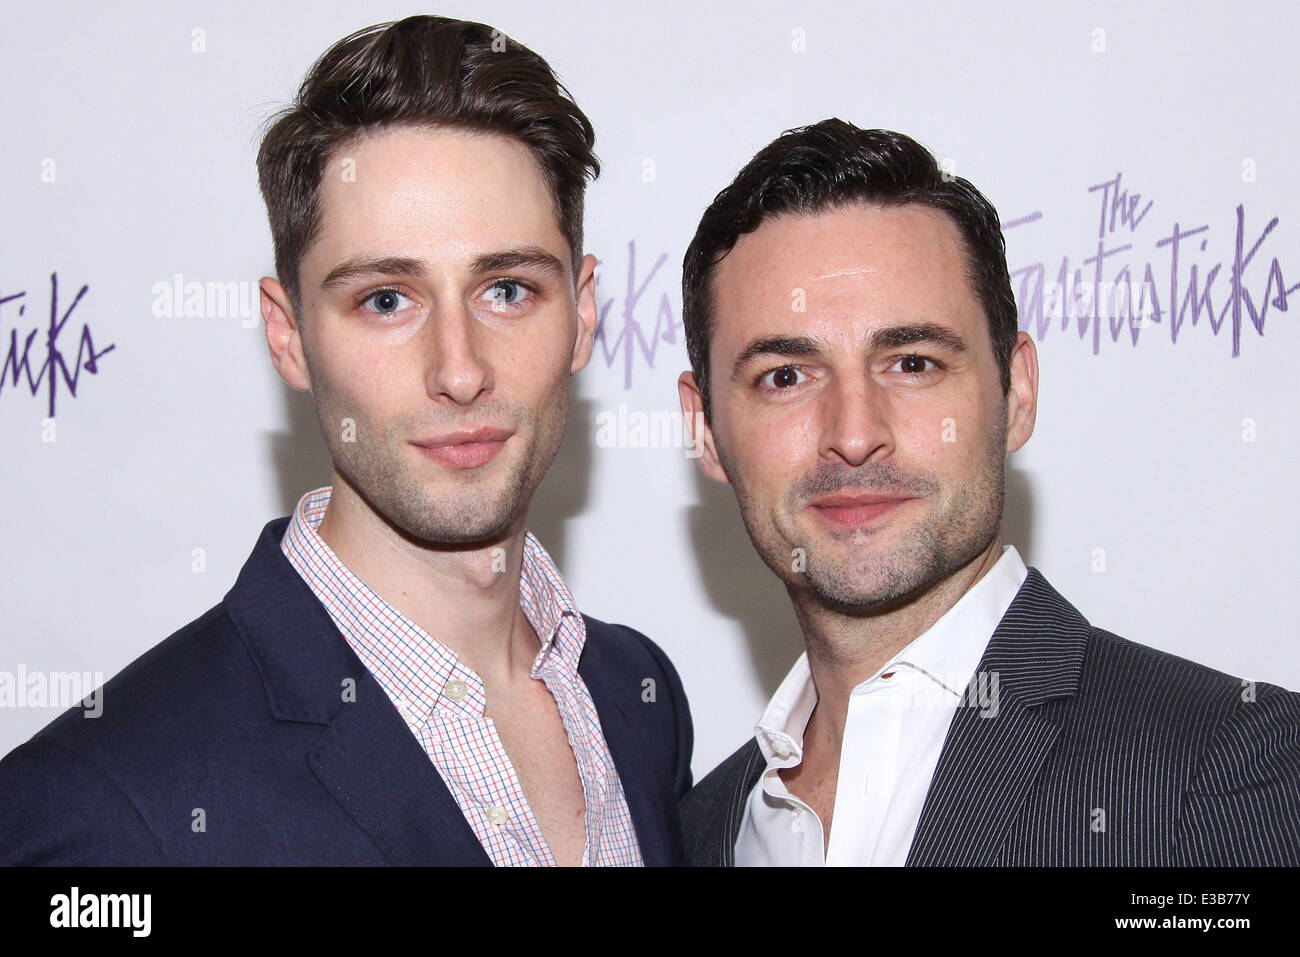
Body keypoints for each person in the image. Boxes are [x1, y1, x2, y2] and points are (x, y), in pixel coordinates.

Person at [0, 15, 691, 866]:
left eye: (507, 289)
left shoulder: (637, 697)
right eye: (386, 300)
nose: (460, 369)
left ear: (583, 314)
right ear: (288, 335)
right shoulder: (106, 803)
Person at [675, 119, 1299, 866]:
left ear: (1018, 391)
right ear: (705, 428)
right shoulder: (696, 829)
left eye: (912, 363)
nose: (853, 432)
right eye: (784, 376)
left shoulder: (1229, 768)